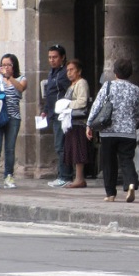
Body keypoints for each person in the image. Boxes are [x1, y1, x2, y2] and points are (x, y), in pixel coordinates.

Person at [85, 58, 139, 203]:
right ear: (130, 73)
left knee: (108, 161)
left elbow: (97, 106)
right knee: (127, 159)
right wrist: (132, 124)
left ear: (115, 72)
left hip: (109, 131)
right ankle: (130, 183)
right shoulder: (135, 89)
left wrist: (89, 124)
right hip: (128, 132)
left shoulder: (108, 86)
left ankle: (110, 193)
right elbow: (137, 112)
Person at [0, 54, 27, 190]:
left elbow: (20, 88)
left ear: (14, 66)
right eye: (3, 65)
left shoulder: (21, 78)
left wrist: (9, 77)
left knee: (10, 148)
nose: (5, 67)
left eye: (8, 65)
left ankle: (9, 176)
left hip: (13, 117)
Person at [42, 45, 72, 187]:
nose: (52, 60)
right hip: (53, 113)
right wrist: (45, 109)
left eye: (55, 57)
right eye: (50, 57)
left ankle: (65, 176)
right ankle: (62, 174)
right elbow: (50, 93)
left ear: (62, 58)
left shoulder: (65, 72)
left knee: (61, 146)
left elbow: (69, 92)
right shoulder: (52, 72)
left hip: (62, 114)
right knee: (58, 145)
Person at [61, 59, 90, 189]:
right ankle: (76, 177)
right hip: (70, 122)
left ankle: (79, 178)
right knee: (72, 149)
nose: (69, 72)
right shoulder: (71, 85)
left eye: (72, 70)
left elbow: (82, 102)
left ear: (79, 71)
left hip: (79, 122)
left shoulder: (81, 83)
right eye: (67, 70)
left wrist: (66, 105)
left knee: (78, 149)